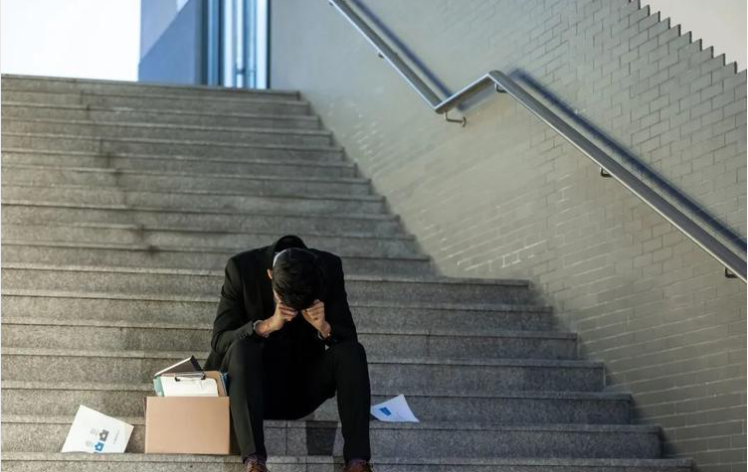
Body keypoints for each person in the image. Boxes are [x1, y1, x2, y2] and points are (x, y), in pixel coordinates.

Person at [203, 234, 375, 472]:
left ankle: (357, 462)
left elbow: (348, 339)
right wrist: (264, 326)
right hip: (249, 389)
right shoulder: (241, 269)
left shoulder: (329, 267)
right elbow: (220, 341)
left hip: (301, 389)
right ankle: (254, 461)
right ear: (270, 275)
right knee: (242, 347)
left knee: (352, 352)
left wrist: (324, 328)